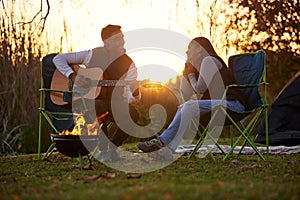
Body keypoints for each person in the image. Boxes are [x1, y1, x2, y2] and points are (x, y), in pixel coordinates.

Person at [137, 37, 246, 158]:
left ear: (199, 49)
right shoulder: (198, 66)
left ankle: (162, 142)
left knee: (189, 106)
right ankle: (166, 148)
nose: (187, 52)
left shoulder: (209, 60)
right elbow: (186, 93)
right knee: (184, 106)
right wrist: (187, 72)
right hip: (218, 106)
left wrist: (191, 75)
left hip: (232, 105)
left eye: (190, 48)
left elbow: (199, 89)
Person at [53, 24, 141, 162]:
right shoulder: (93, 54)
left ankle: (112, 148)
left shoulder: (128, 63)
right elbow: (58, 59)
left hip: (114, 104)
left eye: (122, 38)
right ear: (106, 42)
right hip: (88, 103)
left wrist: (135, 93)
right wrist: (73, 76)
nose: (122, 42)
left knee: (133, 114)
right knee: (99, 106)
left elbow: (131, 95)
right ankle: (103, 150)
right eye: (116, 39)